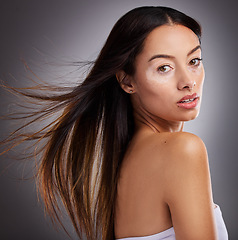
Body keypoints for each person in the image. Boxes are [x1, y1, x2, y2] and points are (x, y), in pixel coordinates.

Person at [1, 6, 228, 240]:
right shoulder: (183, 150)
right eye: (164, 68)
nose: (188, 81)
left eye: (194, 60)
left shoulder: (129, 159)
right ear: (127, 81)